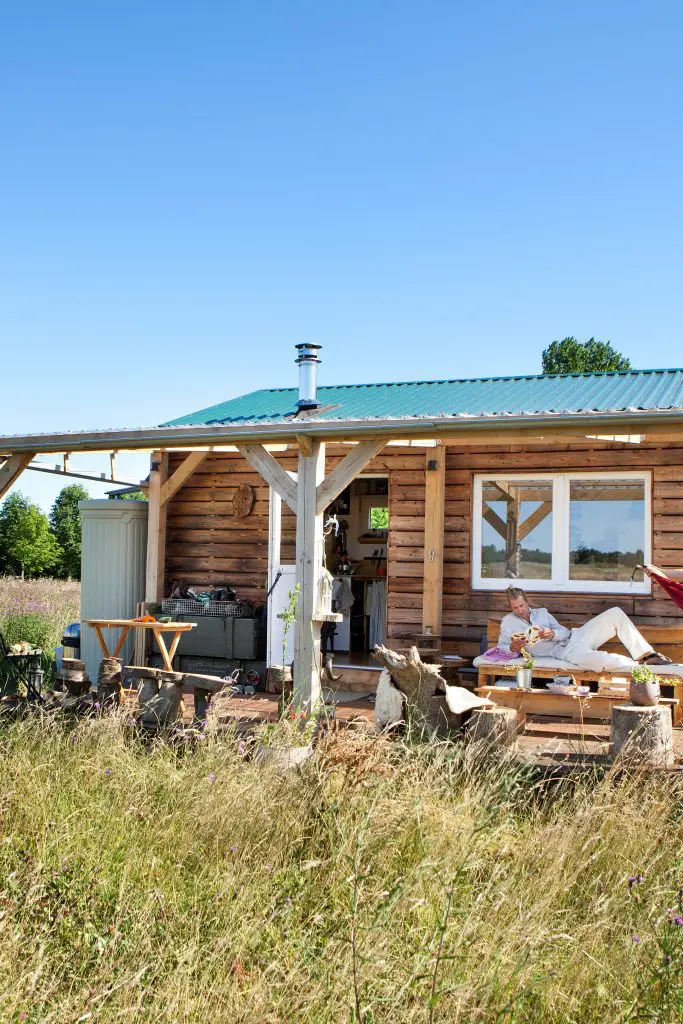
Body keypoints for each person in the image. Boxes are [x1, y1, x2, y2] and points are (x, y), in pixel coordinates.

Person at [498, 586, 672, 672]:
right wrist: (513, 647)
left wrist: (552, 634)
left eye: (521, 605)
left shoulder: (542, 613)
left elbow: (564, 632)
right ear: (510, 607)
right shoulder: (508, 622)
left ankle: (647, 655)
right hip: (564, 654)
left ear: (527, 601)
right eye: (515, 608)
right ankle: (637, 665)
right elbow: (500, 648)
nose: (520, 610)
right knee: (599, 660)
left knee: (615, 613)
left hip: (575, 638)